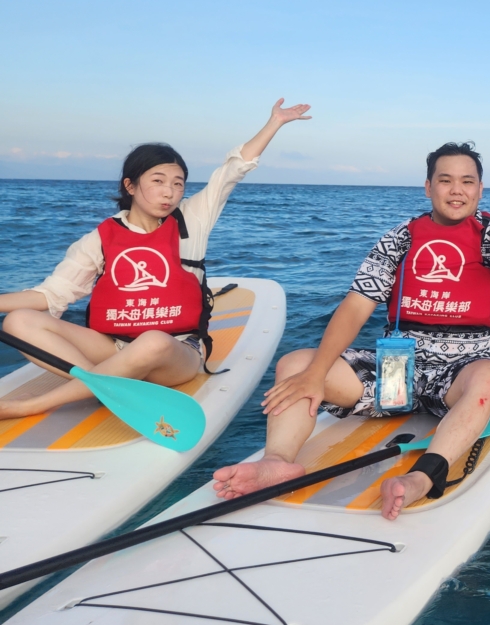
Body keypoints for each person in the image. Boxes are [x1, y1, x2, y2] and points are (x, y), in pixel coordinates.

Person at [212, 143, 490, 518]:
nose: (457, 190)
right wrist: (316, 375)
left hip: (463, 371)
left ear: (480, 189)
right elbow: (355, 307)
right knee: (296, 365)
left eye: (467, 181)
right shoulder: (399, 239)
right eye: (445, 181)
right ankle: (278, 461)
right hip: (398, 372)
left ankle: (423, 477)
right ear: (428, 187)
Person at [0, 100, 311, 419]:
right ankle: (113, 382)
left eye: (178, 184)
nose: (169, 192)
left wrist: (274, 122)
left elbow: (233, 170)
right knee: (17, 321)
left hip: (175, 353)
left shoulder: (193, 219)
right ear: (130, 185)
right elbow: (50, 296)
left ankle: (33, 405)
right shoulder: (100, 238)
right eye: (158, 181)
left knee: (152, 342)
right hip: (113, 347)